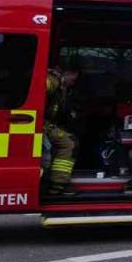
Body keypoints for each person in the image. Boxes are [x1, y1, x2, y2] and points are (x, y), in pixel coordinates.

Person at [44, 66, 80, 196]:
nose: (73, 83)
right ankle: (58, 185)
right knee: (69, 143)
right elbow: (38, 91)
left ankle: (57, 183)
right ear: (68, 73)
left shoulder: (61, 86)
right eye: (73, 79)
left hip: (46, 124)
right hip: (40, 125)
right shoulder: (52, 81)